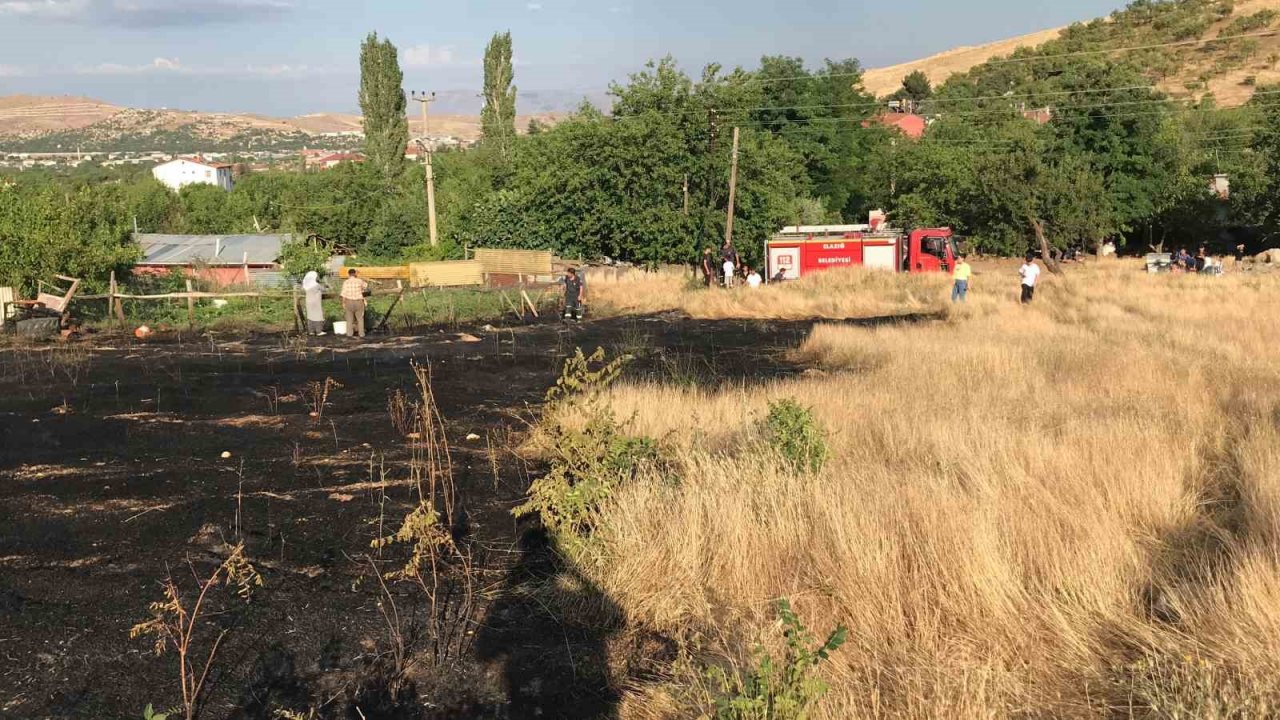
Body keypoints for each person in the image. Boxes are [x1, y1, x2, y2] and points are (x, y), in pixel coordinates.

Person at [340, 268, 368, 338]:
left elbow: (343, 294)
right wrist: (358, 276)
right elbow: (366, 285)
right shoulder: (359, 281)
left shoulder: (346, 282)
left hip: (349, 301)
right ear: (355, 273)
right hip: (358, 301)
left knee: (349, 319)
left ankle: (349, 334)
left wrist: (343, 303)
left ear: (348, 274)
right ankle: (361, 334)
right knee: (360, 319)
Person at [301, 270, 326, 336]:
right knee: (318, 315)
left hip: (308, 301)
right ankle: (319, 331)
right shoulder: (316, 285)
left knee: (310, 315)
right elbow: (323, 289)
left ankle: (311, 331)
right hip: (315, 302)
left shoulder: (306, 285)